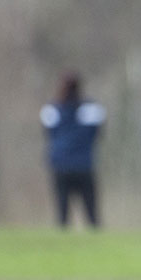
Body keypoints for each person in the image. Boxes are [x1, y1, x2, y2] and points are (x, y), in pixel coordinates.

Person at [41, 71, 105, 229]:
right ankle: (95, 237)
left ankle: (62, 239)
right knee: (91, 211)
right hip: (84, 164)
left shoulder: (52, 109)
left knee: (62, 211)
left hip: (60, 164)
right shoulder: (91, 109)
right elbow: (97, 133)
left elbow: (49, 133)